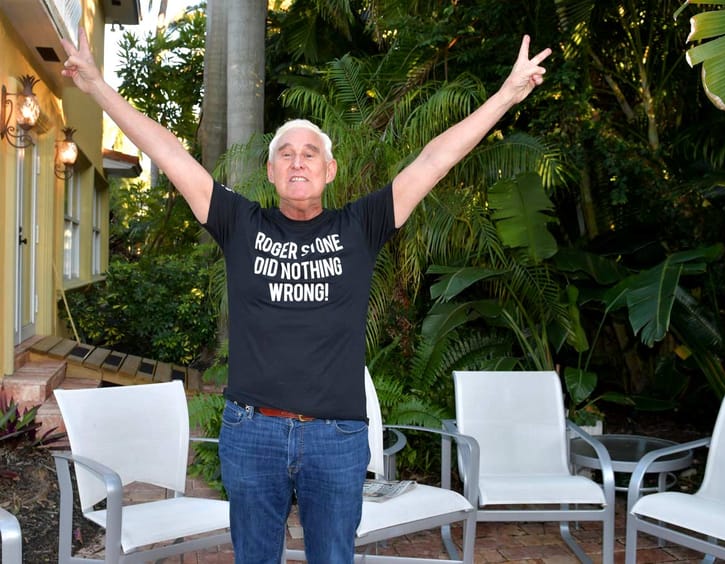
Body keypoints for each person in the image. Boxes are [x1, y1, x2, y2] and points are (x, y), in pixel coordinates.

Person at [61, 26, 551, 563]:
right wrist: (97, 87)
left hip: (336, 438)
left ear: (329, 170)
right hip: (252, 432)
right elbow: (169, 152)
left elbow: (435, 160)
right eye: (287, 154)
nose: (298, 161)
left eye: (310, 154)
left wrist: (506, 96)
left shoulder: (361, 225)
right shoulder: (239, 222)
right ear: (271, 171)